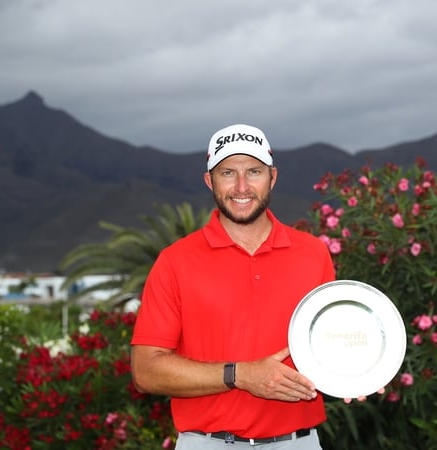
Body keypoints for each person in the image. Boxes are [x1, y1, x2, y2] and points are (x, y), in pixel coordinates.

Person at [131, 123, 335, 449]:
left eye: (254, 171)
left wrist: (359, 371)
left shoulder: (313, 253)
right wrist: (239, 375)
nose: (242, 186)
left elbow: (332, 342)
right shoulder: (175, 261)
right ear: (209, 181)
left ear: (272, 177)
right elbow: (145, 371)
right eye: (228, 173)